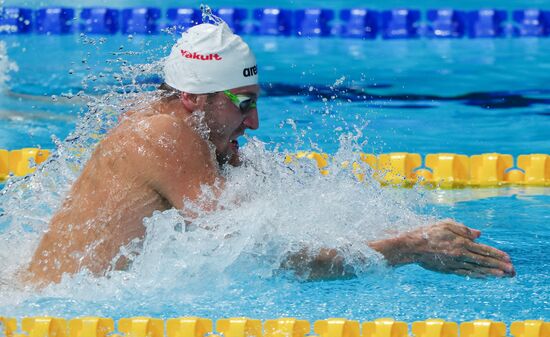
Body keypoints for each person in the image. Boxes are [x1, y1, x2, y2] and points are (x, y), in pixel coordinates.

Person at [26, 23, 515, 285]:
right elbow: (273, 258)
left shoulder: (190, 129)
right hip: (54, 314)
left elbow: (281, 220)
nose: (254, 122)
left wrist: (392, 232)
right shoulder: (160, 136)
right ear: (196, 99)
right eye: (244, 103)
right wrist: (405, 248)